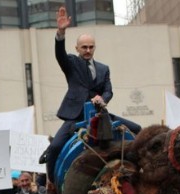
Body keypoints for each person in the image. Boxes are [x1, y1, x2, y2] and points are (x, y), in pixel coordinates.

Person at [44, 6, 141, 183]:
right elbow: (60, 55)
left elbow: (108, 90)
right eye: (84, 47)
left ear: (94, 48)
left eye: (90, 47)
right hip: (75, 116)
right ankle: (51, 186)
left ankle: (142, 173)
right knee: (55, 146)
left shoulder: (103, 69)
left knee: (137, 129)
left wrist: (102, 99)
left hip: (100, 114)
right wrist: (60, 32)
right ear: (77, 48)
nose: (87, 50)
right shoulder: (72, 63)